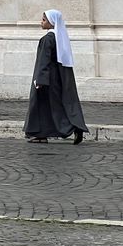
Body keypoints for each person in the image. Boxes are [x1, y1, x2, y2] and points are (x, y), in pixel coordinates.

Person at [24, 9, 89, 145]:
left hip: (47, 78)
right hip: (57, 78)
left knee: (42, 106)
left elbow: (44, 60)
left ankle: (65, 129)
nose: (41, 22)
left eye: (44, 20)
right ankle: (42, 134)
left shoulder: (48, 39)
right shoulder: (59, 37)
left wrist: (40, 80)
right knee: (53, 106)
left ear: (52, 22)